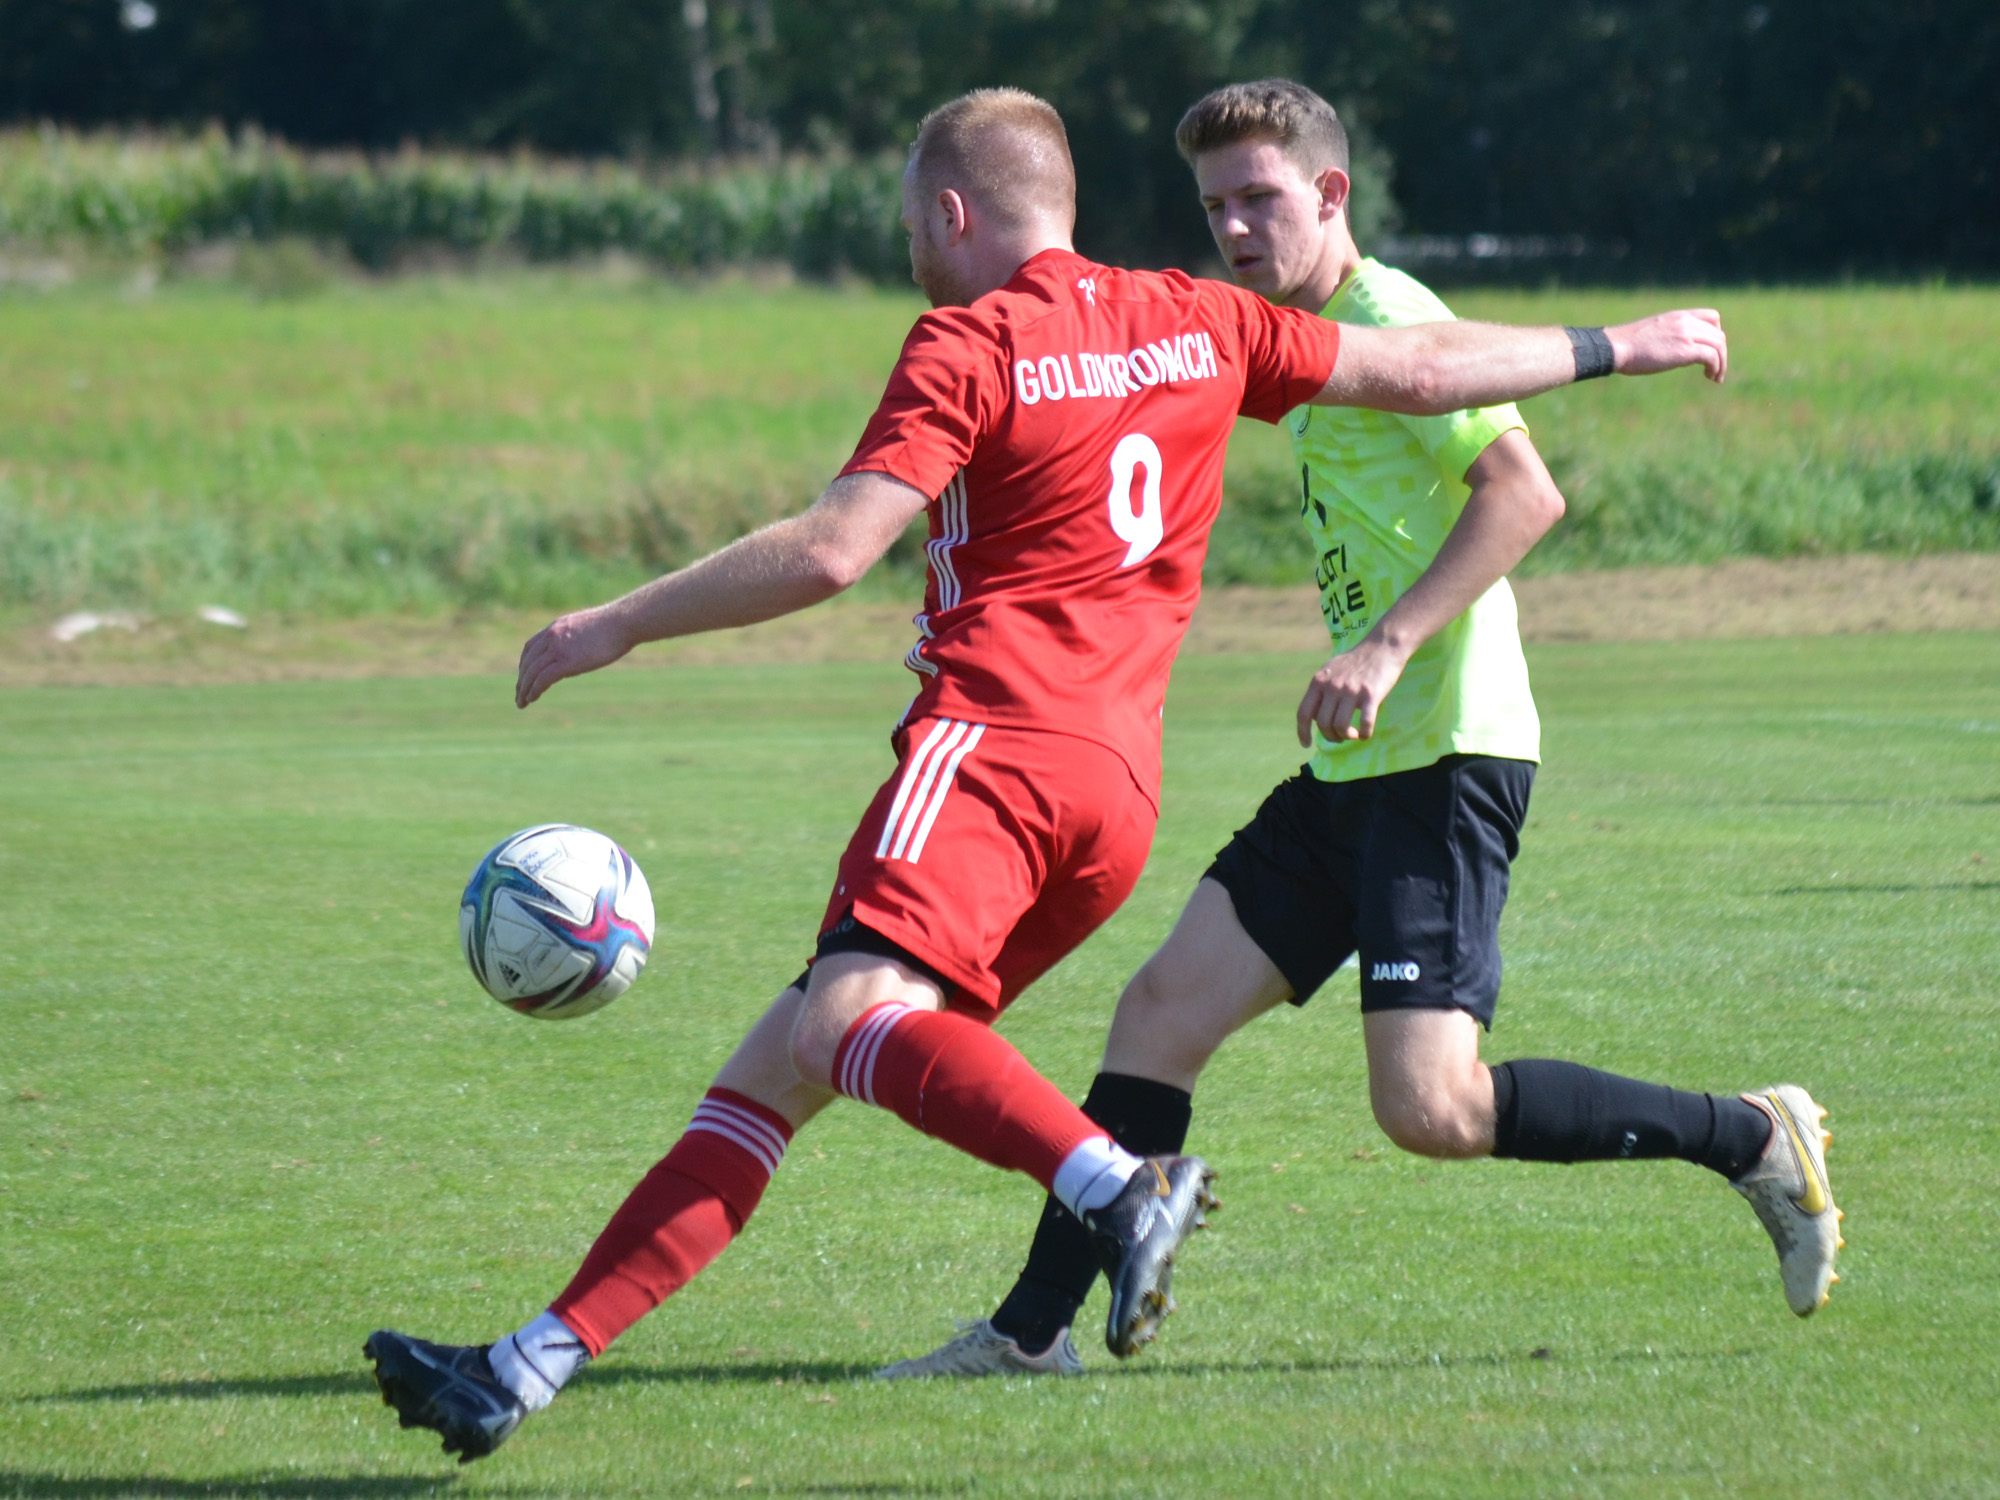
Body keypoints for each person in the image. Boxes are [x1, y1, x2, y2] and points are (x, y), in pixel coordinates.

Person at [362, 86, 1730, 1462]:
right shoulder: (1202, 321)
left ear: (952, 214)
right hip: (1114, 797)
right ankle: (520, 1370)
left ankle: (1119, 1189)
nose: (912, 254)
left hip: (990, 749)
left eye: (912, 226)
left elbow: (838, 547)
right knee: (785, 1064)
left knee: (841, 1022)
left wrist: (614, 623)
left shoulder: (971, 338)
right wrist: (1623, 344)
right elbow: (1426, 369)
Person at [876, 79, 1837, 1383]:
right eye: (1215, 206)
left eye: (1259, 199)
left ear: (1331, 194)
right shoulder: (1291, 334)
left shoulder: (1386, 313)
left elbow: (1523, 492)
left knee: (1429, 1107)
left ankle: (1752, 1136)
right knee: (1158, 1014)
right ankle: (1026, 1337)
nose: (1233, 228)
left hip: (1444, 754)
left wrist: (1385, 644)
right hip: (1350, 771)